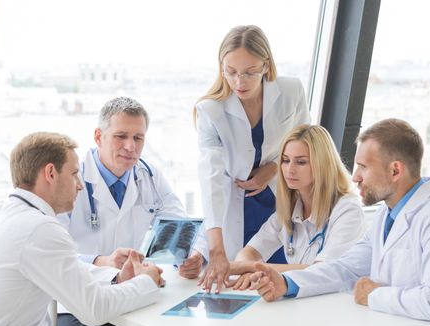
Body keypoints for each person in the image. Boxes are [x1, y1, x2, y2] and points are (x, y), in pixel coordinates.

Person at [249, 119, 430, 326]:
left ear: (395, 170)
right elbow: (344, 268)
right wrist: (286, 283)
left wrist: (373, 295)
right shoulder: (386, 215)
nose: (355, 176)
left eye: (363, 167)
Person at [0, 132, 165, 326]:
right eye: (74, 173)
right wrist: (146, 281)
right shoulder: (39, 229)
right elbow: (95, 309)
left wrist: (116, 277)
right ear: (50, 173)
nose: (80, 185)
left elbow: (62, 267)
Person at [180, 25, 310, 292]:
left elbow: (306, 144)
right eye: (231, 72)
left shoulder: (291, 91)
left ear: (266, 65)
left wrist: (273, 169)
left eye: (250, 72)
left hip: (281, 202)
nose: (240, 82)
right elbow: (212, 179)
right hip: (237, 207)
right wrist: (215, 250)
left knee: (288, 286)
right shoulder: (210, 111)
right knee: (243, 290)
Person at [228, 125, 365, 290]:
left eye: (301, 162)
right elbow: (250, 252)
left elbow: (324, 271)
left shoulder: (347, 210)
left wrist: (249, 268)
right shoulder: (291, 208)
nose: (289, 170)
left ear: (322, 164)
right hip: (303, 301)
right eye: (285, 160)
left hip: (335, 302)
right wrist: (247, 267)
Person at [65, 96, 186, 268]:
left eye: (138, 138)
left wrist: (191, 257)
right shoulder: (70, 180)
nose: (130, 147)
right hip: (82, 286)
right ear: (99, 137)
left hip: (130, 287)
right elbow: (50, 254)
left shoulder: (150, 177)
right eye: (121, 136)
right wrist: (101, 262)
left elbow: (180, 228)